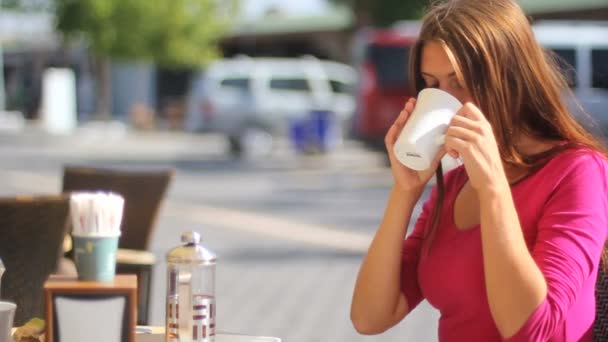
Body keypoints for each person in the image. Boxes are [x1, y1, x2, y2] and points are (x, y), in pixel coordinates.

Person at [350, 0, 608, 341]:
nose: (446, 100)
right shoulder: (456, 184)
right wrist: (405, 191)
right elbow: (370, 317)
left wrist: (494, 189)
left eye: (460, 82)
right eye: (433, 85)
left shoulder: (578, 171)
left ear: (511, 79)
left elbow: (534, 330)